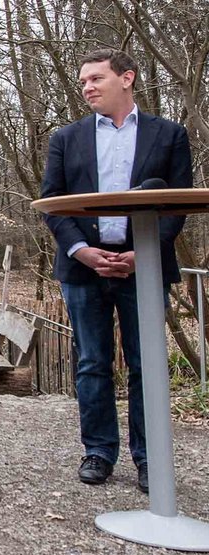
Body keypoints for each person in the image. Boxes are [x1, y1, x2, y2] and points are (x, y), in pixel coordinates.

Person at [42, 49, 191, 493]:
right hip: (84, 268)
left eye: (96, 79)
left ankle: (151, 460)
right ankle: (99, 452)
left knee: (148, 363)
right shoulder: (66, 138)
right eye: (83, 80)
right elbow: (52, 202)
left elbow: (178, 203)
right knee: (92, 363)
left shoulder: (168, 135)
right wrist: (81, 250)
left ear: (127, 78)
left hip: (143, 265)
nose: (87, 87)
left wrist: (143, 253)